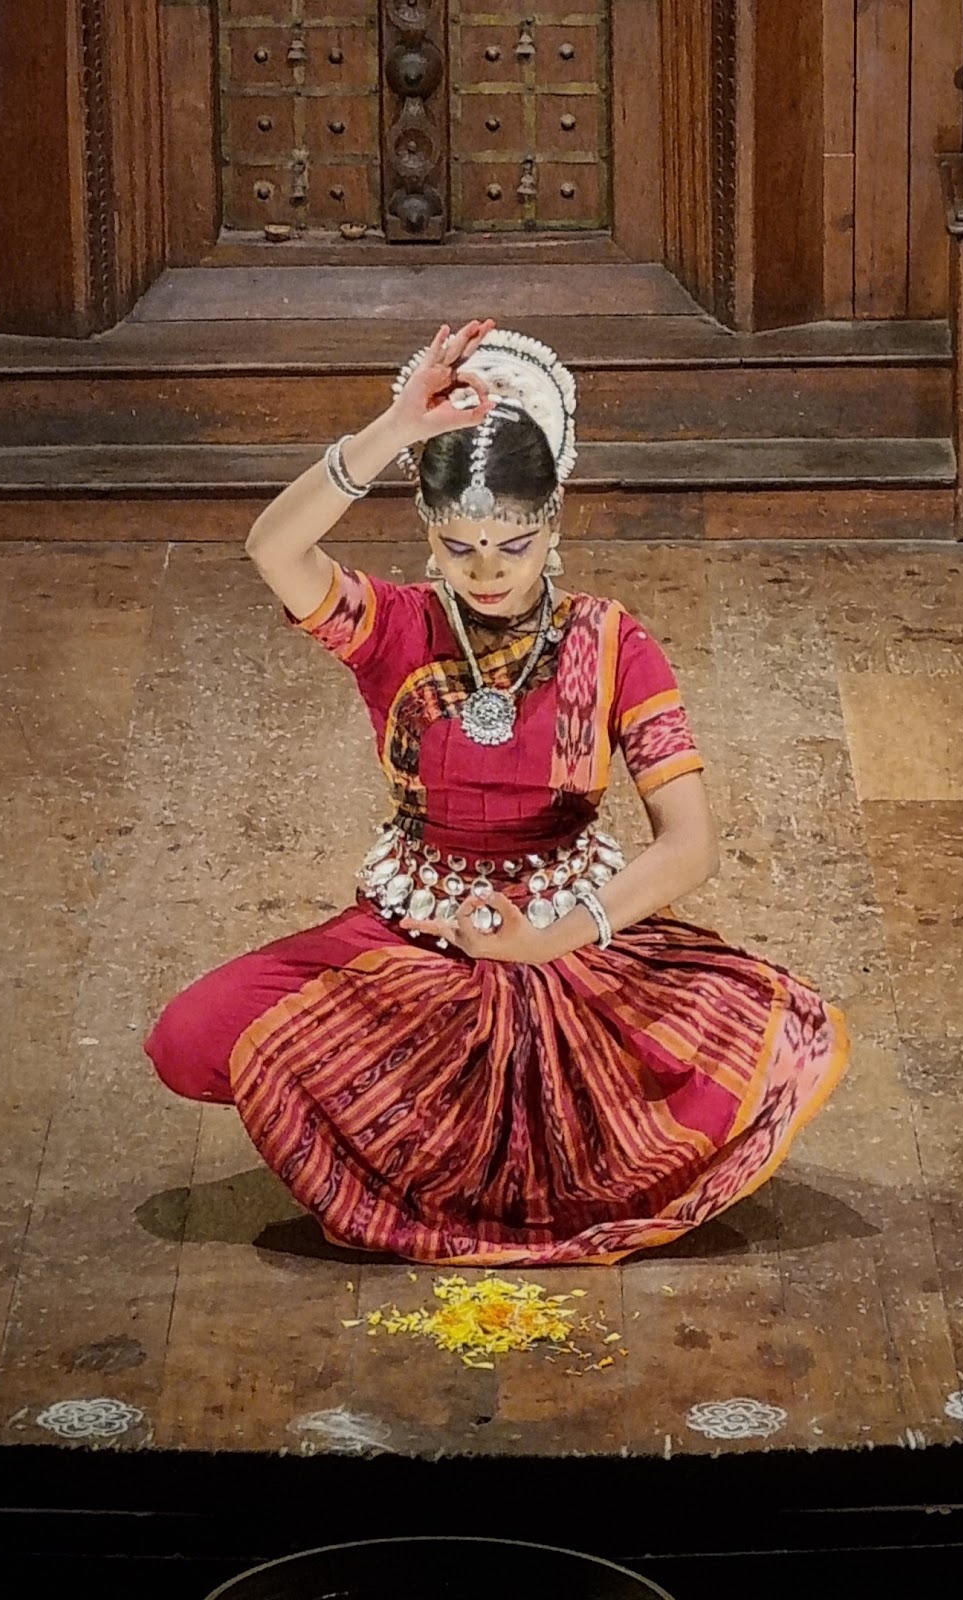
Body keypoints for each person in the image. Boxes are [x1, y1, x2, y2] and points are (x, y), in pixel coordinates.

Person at [145, 320, 849, 1265]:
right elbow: (273, 547)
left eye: (511, 547)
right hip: (415, 927)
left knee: (736, 1055)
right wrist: (395, 428)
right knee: (188, 1041)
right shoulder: (392, 626)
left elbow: (688, 848)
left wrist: (544, 939)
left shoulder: (611, 643)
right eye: (459, 547)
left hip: (573, 930)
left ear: (552, 526)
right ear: (429, 535)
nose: (484, 573)